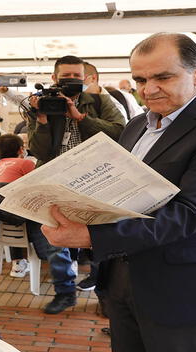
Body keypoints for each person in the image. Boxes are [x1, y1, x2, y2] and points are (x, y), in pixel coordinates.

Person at [40, 33, 196, 352]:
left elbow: (189, 215)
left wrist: (92, 236)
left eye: (163, 77)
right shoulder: (137, 125)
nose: (148, 89)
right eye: (140, 79)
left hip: (179, 285)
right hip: (122, 273)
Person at [23, 56, 125, 314]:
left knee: (101, 239)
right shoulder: (40, 104)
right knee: (57, 243)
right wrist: (42, 120)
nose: (71, 82)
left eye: (77, 77)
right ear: (54, 78)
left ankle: (104, 296)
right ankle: (65, 293)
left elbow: (119, 133)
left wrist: (80, 117)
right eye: (65, 77)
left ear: (86, 79)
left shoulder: (100, 101)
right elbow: (39, 150)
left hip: (96, 179)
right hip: (55, 180)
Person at [0, 134, 36, 277]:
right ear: (21, 149)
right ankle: (52, 258)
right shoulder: (26, 164)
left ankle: (17, 262)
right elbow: (36, 187)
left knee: (9, 209)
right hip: (21, 225)